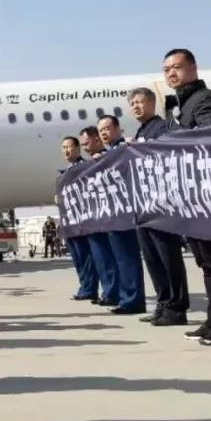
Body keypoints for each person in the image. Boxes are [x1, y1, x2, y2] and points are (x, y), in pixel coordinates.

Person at [163, 48, 211, 344]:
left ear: (193, 68)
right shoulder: (180, 107)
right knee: (206, 262)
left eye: (177, 67)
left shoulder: (204, 100)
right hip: (191, 194)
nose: (172, 73)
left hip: (206, 193)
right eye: (167, 69)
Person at [127, 87, 189, 327]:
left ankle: (177, 306)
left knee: (168, 256)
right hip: (144, 204)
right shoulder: (141, 131)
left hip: (161, 203)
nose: (135, 106)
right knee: (152, 257)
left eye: (140, 102)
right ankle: (164, 303)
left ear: (152, 103)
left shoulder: (161, 127)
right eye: (132, 103)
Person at [95, 116, 146, 315]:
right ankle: (127, 298)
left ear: (118, 129)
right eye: (101, 131)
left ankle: (133, 300)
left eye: (108, 128)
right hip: (114, 212)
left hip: (126, 212)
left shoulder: (125, 148)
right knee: (121, 259)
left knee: (127, 259)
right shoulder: (107, 154)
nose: (105, 133)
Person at [77, 126, 120, 307]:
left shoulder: (108, 157)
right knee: (101, 259)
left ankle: (113, 293)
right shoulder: (91, 161)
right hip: (95, 216)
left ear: (96, 139)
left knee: (110, 259)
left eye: (86, 143)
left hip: (109, 215)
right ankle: (108, 291)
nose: (85, 148)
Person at [58, 136, 99, 302]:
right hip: (70, 221)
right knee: (77, 257)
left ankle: (90, 288)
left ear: (77, 148)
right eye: (63, 148)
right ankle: (84, 286)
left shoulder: (83, 167)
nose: (66, 151)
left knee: (86, 256)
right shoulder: (67, 171)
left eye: (69, 147)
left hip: (81, 220)